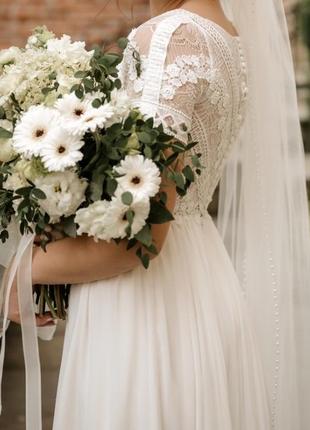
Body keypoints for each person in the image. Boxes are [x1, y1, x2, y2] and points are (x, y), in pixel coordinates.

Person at [6, 0, 310, 429]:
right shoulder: (225, 34)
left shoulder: (173, 37)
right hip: (200, 275)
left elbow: (135, 241)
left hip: (148, 307)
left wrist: (22, 271)